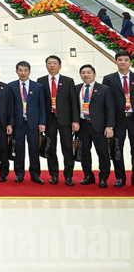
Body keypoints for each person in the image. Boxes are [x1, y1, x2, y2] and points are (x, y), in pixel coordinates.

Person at [37, 55, 79, 186]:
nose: (52, 65)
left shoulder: (68, 81)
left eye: (55, 63)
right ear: (46, 65)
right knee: (51, 148)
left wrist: (75, 120)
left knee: (67, 148)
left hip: (65, 120)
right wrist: (41, 121)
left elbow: (73, 102)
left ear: (60, 66)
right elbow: (40, 103)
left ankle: (68, 176)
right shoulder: (41, 81)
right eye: (49, 63)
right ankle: (53, 175)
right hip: (50, 120)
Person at [77, 65, 115, 188]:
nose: (86, 75)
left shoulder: (104, 89)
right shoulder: (76, 88)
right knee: (84, 153)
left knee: (103, 153)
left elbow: (110, 109)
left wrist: (109, 126)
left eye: (88, 72)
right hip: (82, 125)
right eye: (83, 73)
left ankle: (103, 177)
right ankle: (88, 176)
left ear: (94, 74)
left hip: (99, 126)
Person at [9, 61, 46, 184]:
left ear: (29, 71)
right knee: (19, 149)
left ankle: (35, 174)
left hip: (33, 123)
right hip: (18, 123)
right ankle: (19, 174)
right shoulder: (11, 86)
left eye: (25, 70)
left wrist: (42, 122)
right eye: (20, 70)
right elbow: (9, 107)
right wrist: (10, 123)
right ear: (16, 71)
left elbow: (42, 106)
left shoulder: (38, 87)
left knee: (34, 149)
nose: (23, 73)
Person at [102, 50, 134, 187]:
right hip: (117, 121)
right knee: (117, 150)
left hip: (133, 119)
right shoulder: (109, 79)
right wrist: (108, 124)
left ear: (130, 62)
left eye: (126, 60)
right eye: (120, 60)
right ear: (116, 61)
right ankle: (120, 178)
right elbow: (106, 102)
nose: (123, 62)